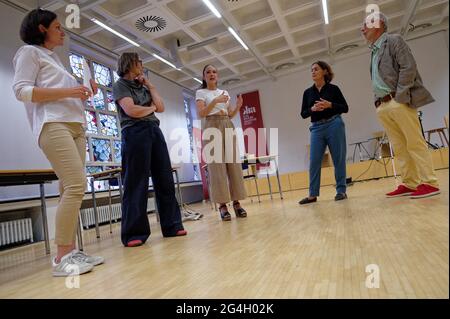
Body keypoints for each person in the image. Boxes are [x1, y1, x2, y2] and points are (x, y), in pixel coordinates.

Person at [12, 9, 104, 277]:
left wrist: (84, 94)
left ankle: (71, 250)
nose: (63, 31)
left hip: (75, 125)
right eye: (57, 27)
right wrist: (70, 90)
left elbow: (65, 96)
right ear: (41, 29)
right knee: (77, 186)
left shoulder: (54, 59)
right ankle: (62, 257)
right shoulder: (28, 53)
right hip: (53, 125)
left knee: (69, 190)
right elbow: (22, 91)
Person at [361, 12, 440, 198]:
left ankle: (430, 182)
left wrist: (400, 96)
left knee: (414, 143)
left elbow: (408, 67)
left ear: (379, 24)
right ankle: (410, 183)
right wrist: (377, 103)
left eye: (366, 24)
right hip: (383, 106)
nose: (362, 29)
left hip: (398, 101)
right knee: (400, 147)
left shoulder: (394, 40)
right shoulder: (374, 51)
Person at [112, 52, 186, 247]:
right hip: (134, 132)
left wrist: (150, 86)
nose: (142, 65)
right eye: (139, 62)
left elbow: (161, 106)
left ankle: (172, 225)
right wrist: (150, 108)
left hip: (154, 131)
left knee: (165, 179)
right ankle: (133, 233)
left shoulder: (144, 86)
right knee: (136, 183)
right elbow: (131, 111)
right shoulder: (120, 85)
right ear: (130, 64)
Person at [196, 65, 248, 221]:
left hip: (226, 123)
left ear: (217, 75)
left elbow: (230, 114)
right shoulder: (201, 92)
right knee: (217, 167)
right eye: (208, 72)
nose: (212, 74)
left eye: (214, 71)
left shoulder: (224, 93)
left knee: (233, 164)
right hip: (211, 125)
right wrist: (215, 101)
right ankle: (223, 206)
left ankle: (237, 203)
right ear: (204, 77)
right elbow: (201, 113)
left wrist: (238, 106)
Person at [299, 61, 349, 205]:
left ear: (325, 72)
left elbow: (345, 108)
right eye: (311, 70)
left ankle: (341, 191)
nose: (313, 72)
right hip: (316, 128)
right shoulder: (307, 93)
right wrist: (312, 110)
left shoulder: (334, 89)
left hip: (334, 124)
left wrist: (330, 105)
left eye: (316, 69)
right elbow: (303, 113)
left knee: (338, 159)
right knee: (314, 161)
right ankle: (312, 194)